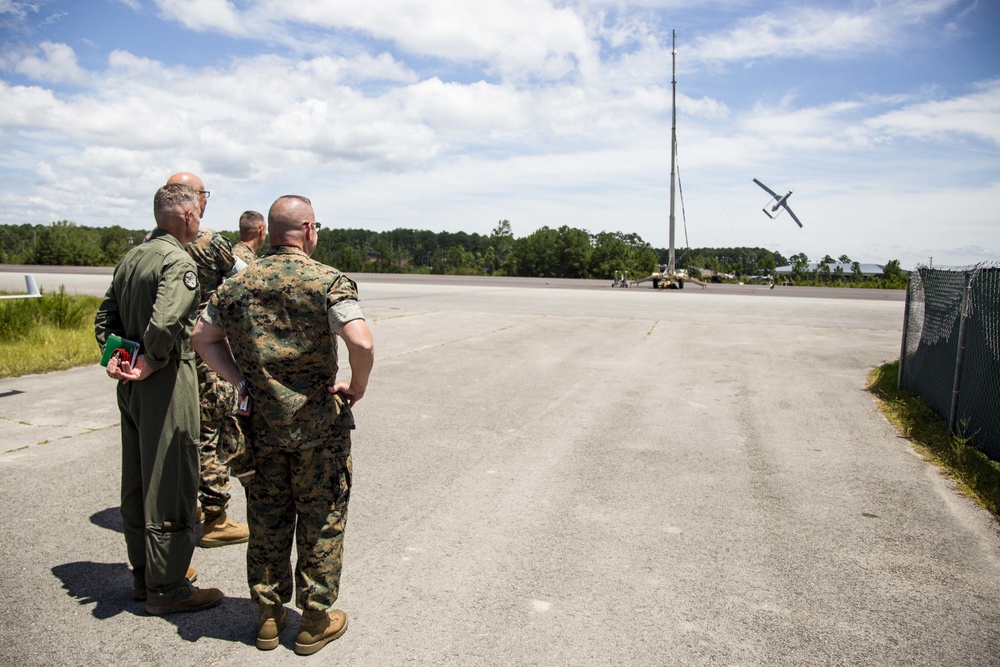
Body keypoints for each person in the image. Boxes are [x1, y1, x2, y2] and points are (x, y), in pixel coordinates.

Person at [191, 195, 374, 655]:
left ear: (271, 232)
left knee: (268, 518)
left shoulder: (237, 283)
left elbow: (201, 337)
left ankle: (268, 618)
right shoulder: (326, 281)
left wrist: (243, 380)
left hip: (261, 428)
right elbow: (361, 341)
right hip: (318, 429)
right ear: (309, 229)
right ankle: (313, 621)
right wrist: (358, 383)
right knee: (322, 518)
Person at [94, 183, 223, 615]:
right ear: (188, 217)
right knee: (170, 478)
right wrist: (150, 359)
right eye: (198, 214)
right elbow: (167, 318)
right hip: (164, 379)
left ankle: (142, 575)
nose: (200, 220)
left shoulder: (133, 256)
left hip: (129, 382)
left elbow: (105, 316)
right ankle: (167, 586)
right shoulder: (176, 260)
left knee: (136, 477)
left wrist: (116, 359)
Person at [166, 172, 251, 549]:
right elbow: (245, 279)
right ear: (192, 200)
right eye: (203, 194)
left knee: (185, 430)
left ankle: (190, 507)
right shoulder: (209, 242)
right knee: (212, 429)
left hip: (169, 351)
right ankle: (214, 516)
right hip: (207, 349)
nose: (206, 201)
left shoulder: (155, 245)